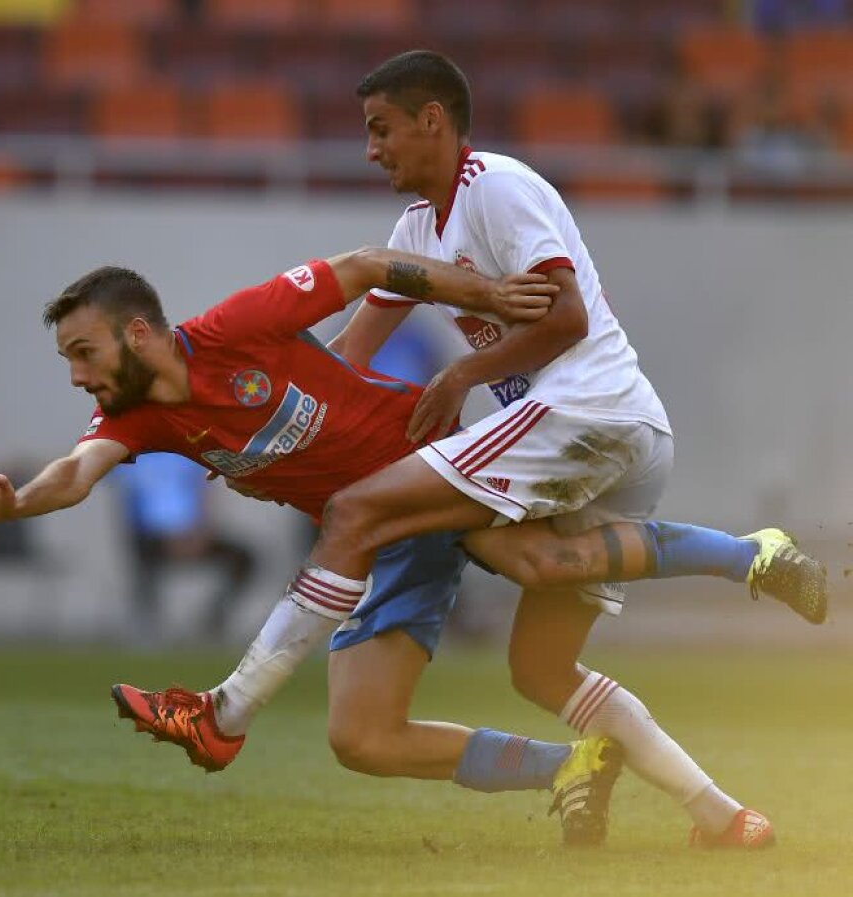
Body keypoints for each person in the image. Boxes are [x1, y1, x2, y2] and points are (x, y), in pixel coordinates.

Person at [0, 248, 819, 846]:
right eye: (69, 362)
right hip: (373, 533)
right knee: (362, 735)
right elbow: (77, 471)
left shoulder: (237, 327)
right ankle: (575, 763)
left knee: (541, 562)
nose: (79, 374)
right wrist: (12, 506)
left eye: (82, 352)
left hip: (428, 465)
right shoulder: (139, 415)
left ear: (136, 332)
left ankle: (750, 554)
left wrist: (487, 297)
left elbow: (361, 268)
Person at [261, 51, 821, 848]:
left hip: (584, 412)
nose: (371, 149)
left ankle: (236, 699)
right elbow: (346, 355)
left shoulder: (496, 186)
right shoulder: (416, 229)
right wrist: (261, 408)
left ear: (433, 121)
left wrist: (463, 373)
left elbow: (566, 320)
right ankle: (722, 816)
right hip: (599, 442)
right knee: (540, 667)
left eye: (381, 129)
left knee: (365, 505)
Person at [111, 452, 255, 641]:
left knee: (245, 558)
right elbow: (133, 500)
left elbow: (203, 491)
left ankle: (213, 619)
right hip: (151, 536)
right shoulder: (132, 458)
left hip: (193, 534)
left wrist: (199, 531)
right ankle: (148, 630)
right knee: (144, 562)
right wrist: (168, 534)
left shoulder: (186, 455)